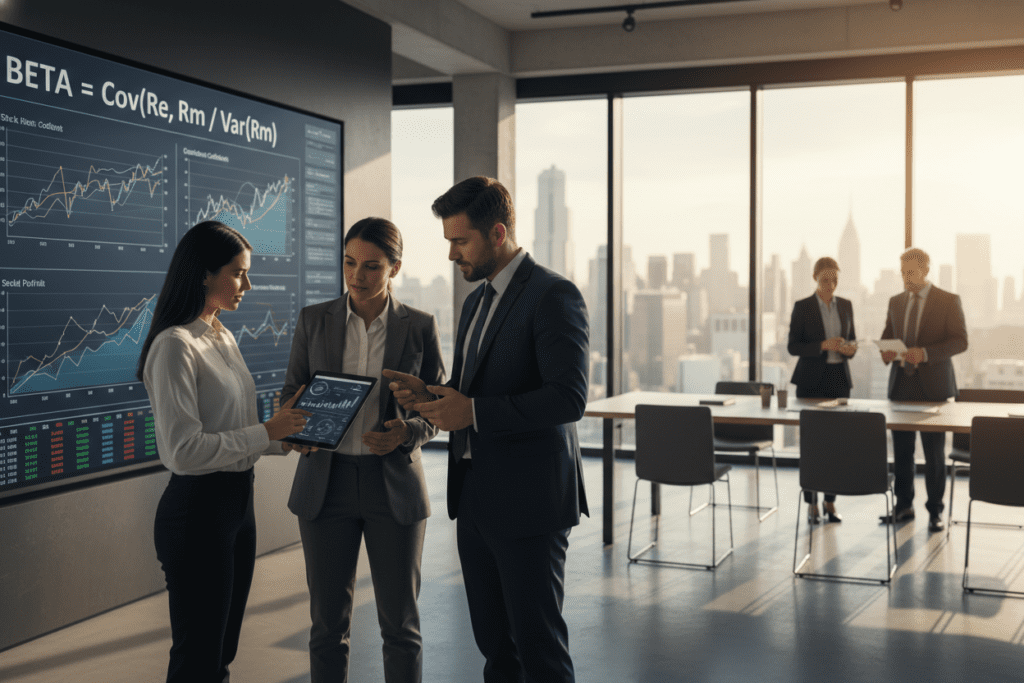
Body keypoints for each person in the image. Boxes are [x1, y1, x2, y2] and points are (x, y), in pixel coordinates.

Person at [386, 176, 589, 683]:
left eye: (460, 241)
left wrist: (473, 413)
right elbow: (472, 388)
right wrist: (431, 395)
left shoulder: (553, 294)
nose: (452, 254)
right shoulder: (477, 301)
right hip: (476, 498)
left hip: (529, 502)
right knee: (497, 650)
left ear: (497, 233)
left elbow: (569, 398)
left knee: (538, 649)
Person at [138, 221, 311, 683]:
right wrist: (264, 431)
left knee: (221, 653)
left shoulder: (222, 337)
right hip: (197, 512)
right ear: (203, 274)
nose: (247, 285)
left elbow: (235, 433)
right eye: (238, 273)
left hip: (238, 505)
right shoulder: (175, 346)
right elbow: (184, 452)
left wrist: (282, 437)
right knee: (197, 657)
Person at [281, 217, 445, 683]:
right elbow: (291, 392)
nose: (357, 275)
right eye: (350, 262)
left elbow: (436, 409)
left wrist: (406, 433)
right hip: (324, 484)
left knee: (400, 627)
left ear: (395, 268)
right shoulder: (314, 320)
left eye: (372, 266)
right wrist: (297, 424)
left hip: (391, 485)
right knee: (326, 627)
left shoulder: (420, 327)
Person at [879, 247, 967, 532]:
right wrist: (886, 351)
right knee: (902, 453)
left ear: (925, 271)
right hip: (901, 386)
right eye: (902, 273)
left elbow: (960, 341)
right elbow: (887, 335)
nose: (905, 278)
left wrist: (926, 354)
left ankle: (935, 512)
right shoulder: (895, 301)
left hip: (934, 391)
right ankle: (904, 506)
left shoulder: (948, 301)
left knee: (934, 455)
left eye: (911, 273)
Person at [787, 256, 857, 524]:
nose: (831, 285)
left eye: (835, 280)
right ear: (815, 278)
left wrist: (850, 349)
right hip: (810, 381)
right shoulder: (802, 307)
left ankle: (830, 502)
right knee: (811, 446)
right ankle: (811, 504)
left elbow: (852, 340)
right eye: (826, 279)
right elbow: (793, 347)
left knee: (835, 445)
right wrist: (822, 345)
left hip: (839, 380)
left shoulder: (847, 306)